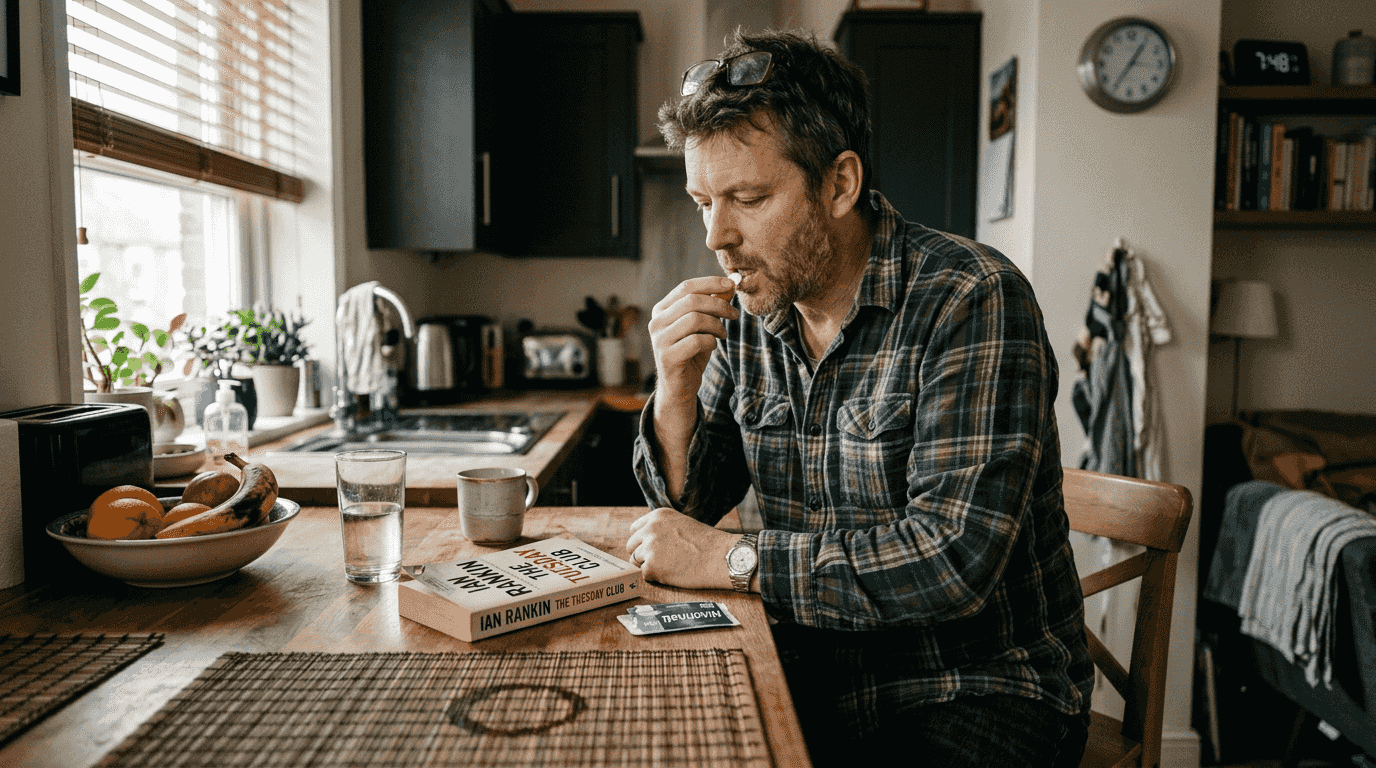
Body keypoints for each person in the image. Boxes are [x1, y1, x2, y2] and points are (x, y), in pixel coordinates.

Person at [624, 28, 1093, 768]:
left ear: (840, 184)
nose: (717, 236)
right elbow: (689, 517)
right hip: (808, 672)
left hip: (974, 689)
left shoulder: (972, 298)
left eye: (748, 198)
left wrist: (736, 560)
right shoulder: (751, 312)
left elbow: (951, 561)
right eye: (703, 201)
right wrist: (675, 390)